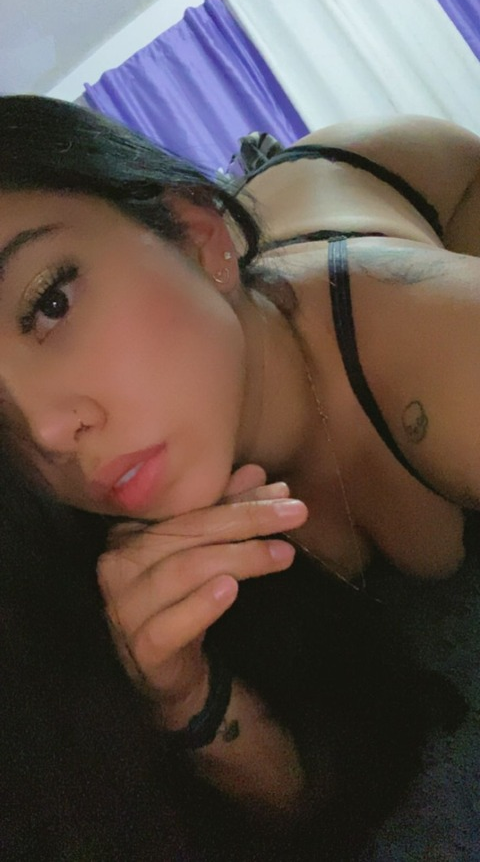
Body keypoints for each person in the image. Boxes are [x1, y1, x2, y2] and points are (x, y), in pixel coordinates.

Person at [0, 94, 478, 860]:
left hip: (417, 182)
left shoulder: (446, 360)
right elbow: (308, 805)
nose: (48, 433)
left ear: (198, 237)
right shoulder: (93, 531)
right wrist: (183, 693)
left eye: (49, 303)